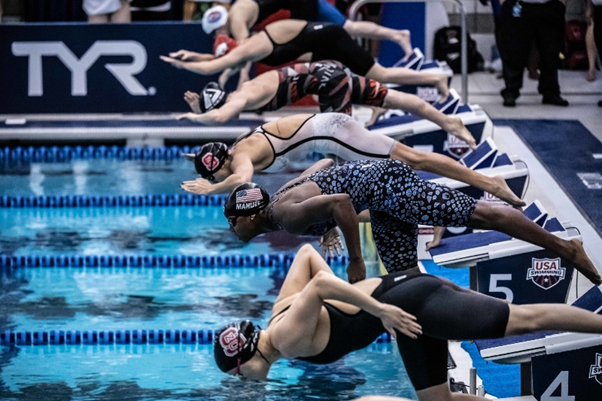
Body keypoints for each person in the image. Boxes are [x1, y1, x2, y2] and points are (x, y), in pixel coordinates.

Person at [213, 244, 602, 400]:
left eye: (236, 373)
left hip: (406, 304)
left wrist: (376, 310)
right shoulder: (278, 315)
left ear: (244, 357)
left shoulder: (284, 336)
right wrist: (361, 301)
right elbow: (306, 254)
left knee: (525, 321)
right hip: (403, 310)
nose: (240, 379)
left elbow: (317, 285)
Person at [222, 160, 601, 284]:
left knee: (480, 214)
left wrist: (355, 258)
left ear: (251, 215)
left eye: (233, 221)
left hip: (387, 187)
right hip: (379, 194)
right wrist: (331, 224)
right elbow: (324, 167)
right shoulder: (282, 199)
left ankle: (567, 248)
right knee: (403, 277)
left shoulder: (285, 215)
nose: (232, 229)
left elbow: (338, 200)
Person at [179, 114, 520, 214]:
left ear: (218, 164)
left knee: (412, 159)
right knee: (399, 167)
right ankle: (485, 185)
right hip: (332, 137)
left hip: (334, 133)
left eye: (215, 173)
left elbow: (242, 177)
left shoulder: (241, 154)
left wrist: (212, 187)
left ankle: (490, 184)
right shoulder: (236, 145)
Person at [160, 20, 450, 100]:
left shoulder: (249, 48)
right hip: (320, 46)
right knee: (354, 84)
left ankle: (434, 78)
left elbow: (215, 66)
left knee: (381, 74)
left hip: (331, 38)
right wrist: (193, 55)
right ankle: (381, 110)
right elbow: (220, 60)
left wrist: (181, 65)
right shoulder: (248, 45)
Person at [176, 60, 466, 133]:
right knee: (392, 98)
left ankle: (339, 219)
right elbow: (220, 103)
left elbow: (222, 115)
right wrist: (201, 106)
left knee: (339, 143)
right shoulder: (241, 89)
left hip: (328, 81)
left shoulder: (239, 99)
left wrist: (195, 117)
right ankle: (450, 123)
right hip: (330, 73)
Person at [200, 2, 413, 62]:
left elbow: (246, 55)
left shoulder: (237, 21)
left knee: (310, 45)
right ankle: (398, 35)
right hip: (301, 3)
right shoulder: (236, 11)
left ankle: (355, 66)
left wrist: (238, 85)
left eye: (217, 32)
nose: (220, 36)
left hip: (301, 4)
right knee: (349, 27)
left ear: (220, 25)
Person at [500, 0, 569, 107]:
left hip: (550, 6)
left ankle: (550, 90)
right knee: (514, 50)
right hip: (519, 4)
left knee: (551, 50)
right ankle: (511, 90)